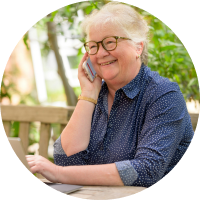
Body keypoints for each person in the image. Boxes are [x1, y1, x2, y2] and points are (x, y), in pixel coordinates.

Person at [26, 2, 194, 188]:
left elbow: (147, 171)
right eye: (93, 46)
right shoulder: (97, 93)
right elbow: (66, 159)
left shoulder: (164, 95)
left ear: (138, 47)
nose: (101, 53)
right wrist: (88, 94)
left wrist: (58, 174)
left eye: (110, 42)